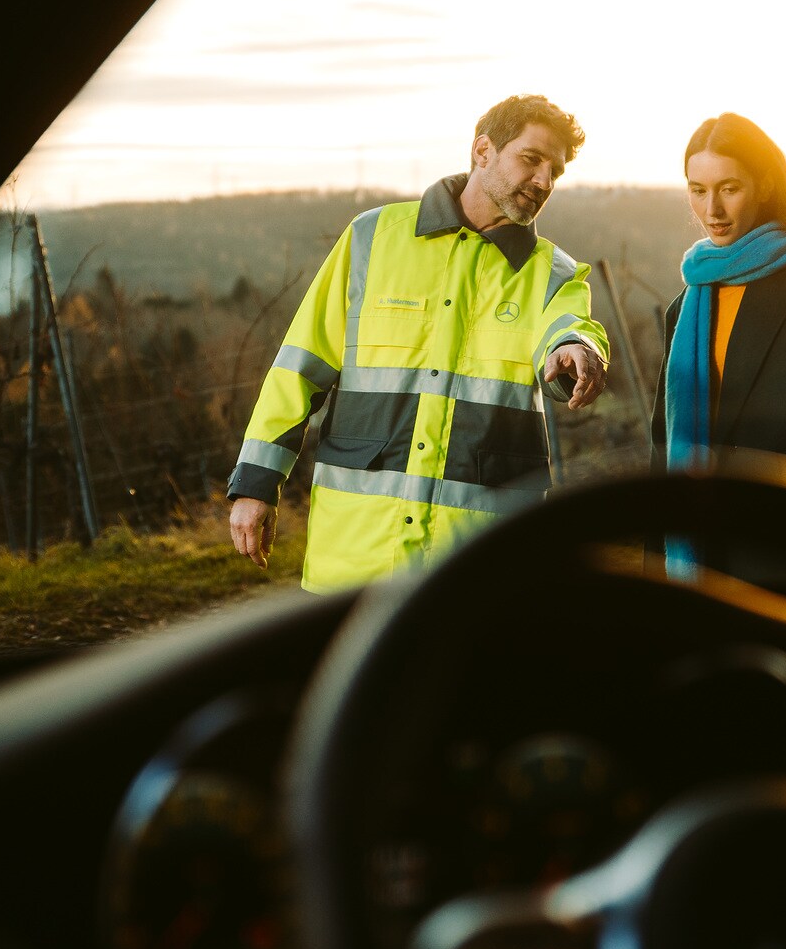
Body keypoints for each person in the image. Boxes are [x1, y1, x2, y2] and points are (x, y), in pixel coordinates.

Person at [228, 95, 610, 593]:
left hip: (479, 563)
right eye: (531, 159)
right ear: (483, 151)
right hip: (356, 550)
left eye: (555, 171)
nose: (543, 182)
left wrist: (577, 349)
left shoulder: (554, 272)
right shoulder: (371, 238)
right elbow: (301, 366)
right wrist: (257, 485)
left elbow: (573, 327)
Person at [651, 112, 786, 584]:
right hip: (698, 547)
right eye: (698, 190)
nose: (712, 209)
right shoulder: (685, 306)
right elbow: (663, 445)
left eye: (729, 187)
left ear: (766, 185)